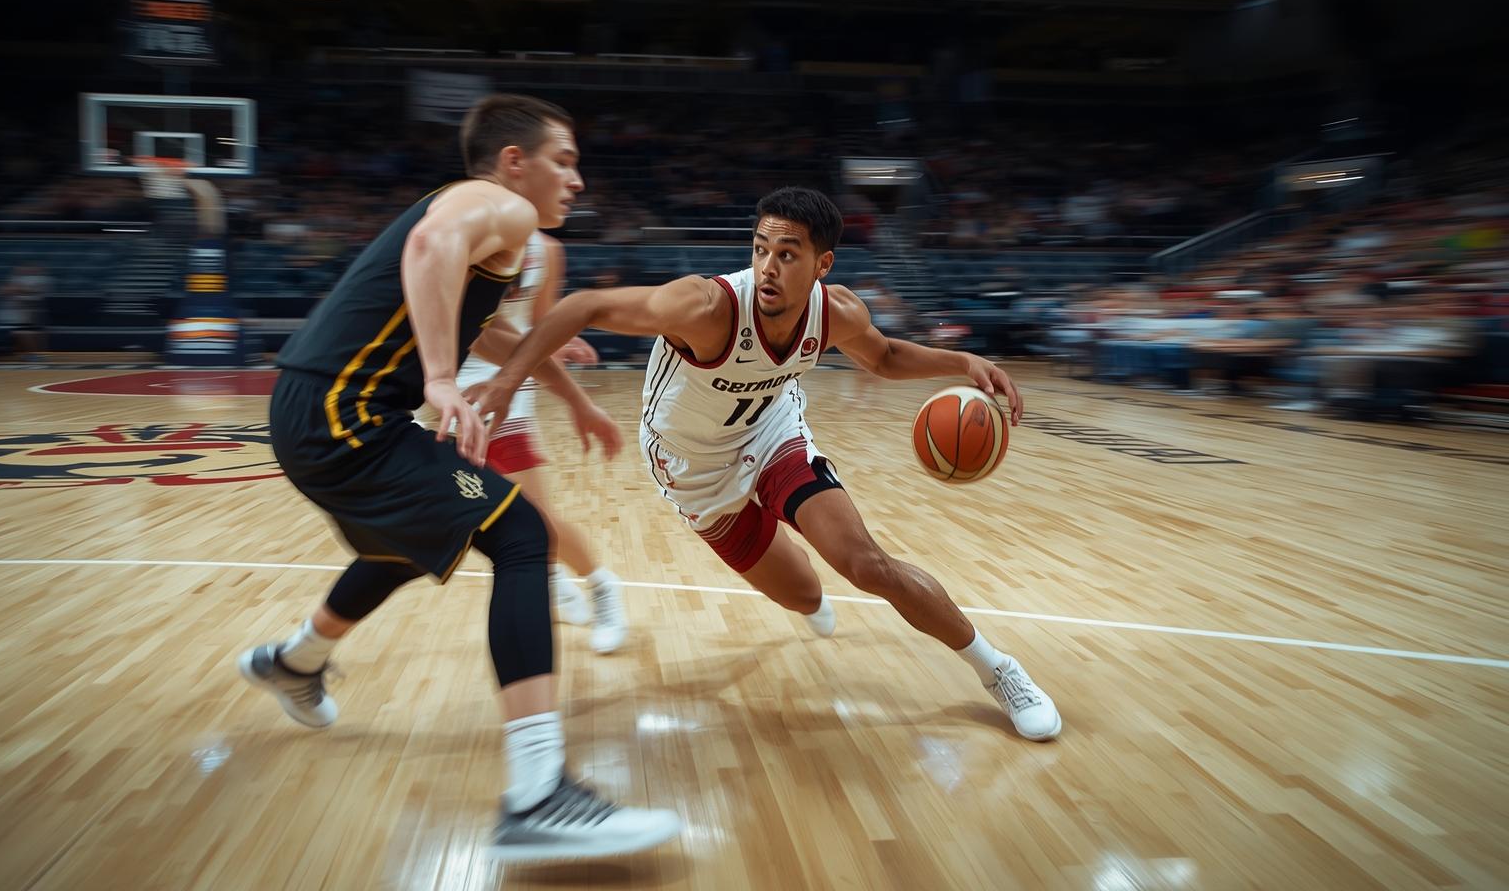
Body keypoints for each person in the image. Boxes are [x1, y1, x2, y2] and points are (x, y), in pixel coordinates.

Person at [239, 93, 681, 862]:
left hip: (316, 409)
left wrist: (545, 353)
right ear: (516, 162)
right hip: (343, 413)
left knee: (399, 547)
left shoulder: (487, 224)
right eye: (564, 161)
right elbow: (428, 249)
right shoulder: (495, 207)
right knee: (520, 533)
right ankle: (539, 795)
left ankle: (295, 662)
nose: (577, 181)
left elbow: (478, 308)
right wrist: (441, 379)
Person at [470, 186, 1061, 741]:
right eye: (760, 249)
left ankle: (997, 669)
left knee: (867, 564)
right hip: (692, 468)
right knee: (802, 595)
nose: (768, 267)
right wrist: (505, 383)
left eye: (787, 253)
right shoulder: (705, 306)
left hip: (772, 434)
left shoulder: (838, 313)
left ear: (822, 265)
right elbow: (582, 305)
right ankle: (808, 595)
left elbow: (882, 356)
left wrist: (962, 362)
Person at [427, 229, 631, 653]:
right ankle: (554, 580)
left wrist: (559, 345)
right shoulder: (464, 233)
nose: (571, 181)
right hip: (441, 389)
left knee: (533, 515)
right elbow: (473, 325)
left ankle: (602, 587)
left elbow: (540, 324)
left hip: (506, 386)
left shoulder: (548, 249)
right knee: (475, 517)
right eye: (561, 163)